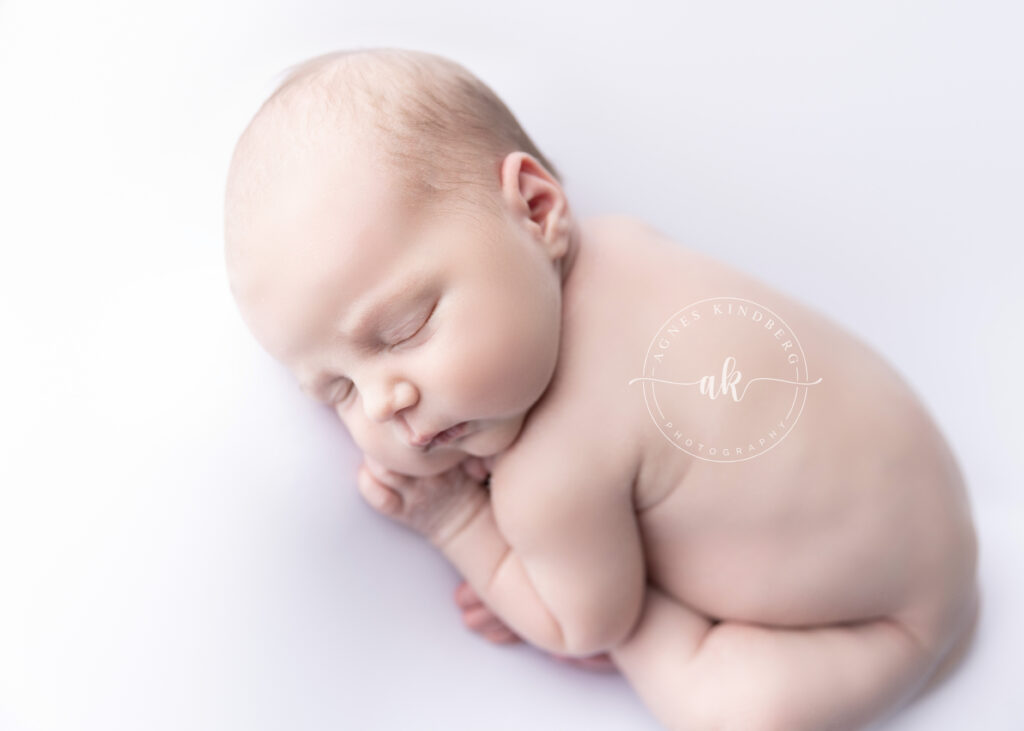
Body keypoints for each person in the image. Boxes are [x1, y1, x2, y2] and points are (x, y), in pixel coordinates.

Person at [223, 47, 980, 730]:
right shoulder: (626, 241)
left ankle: (666, 622)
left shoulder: (548, 473)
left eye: (405, 329)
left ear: (537, 209)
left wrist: (458, 520)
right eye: (338, 392)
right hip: (939, 503)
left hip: (879, 628)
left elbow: (576, 624)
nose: (384, 401)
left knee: (736, 710)